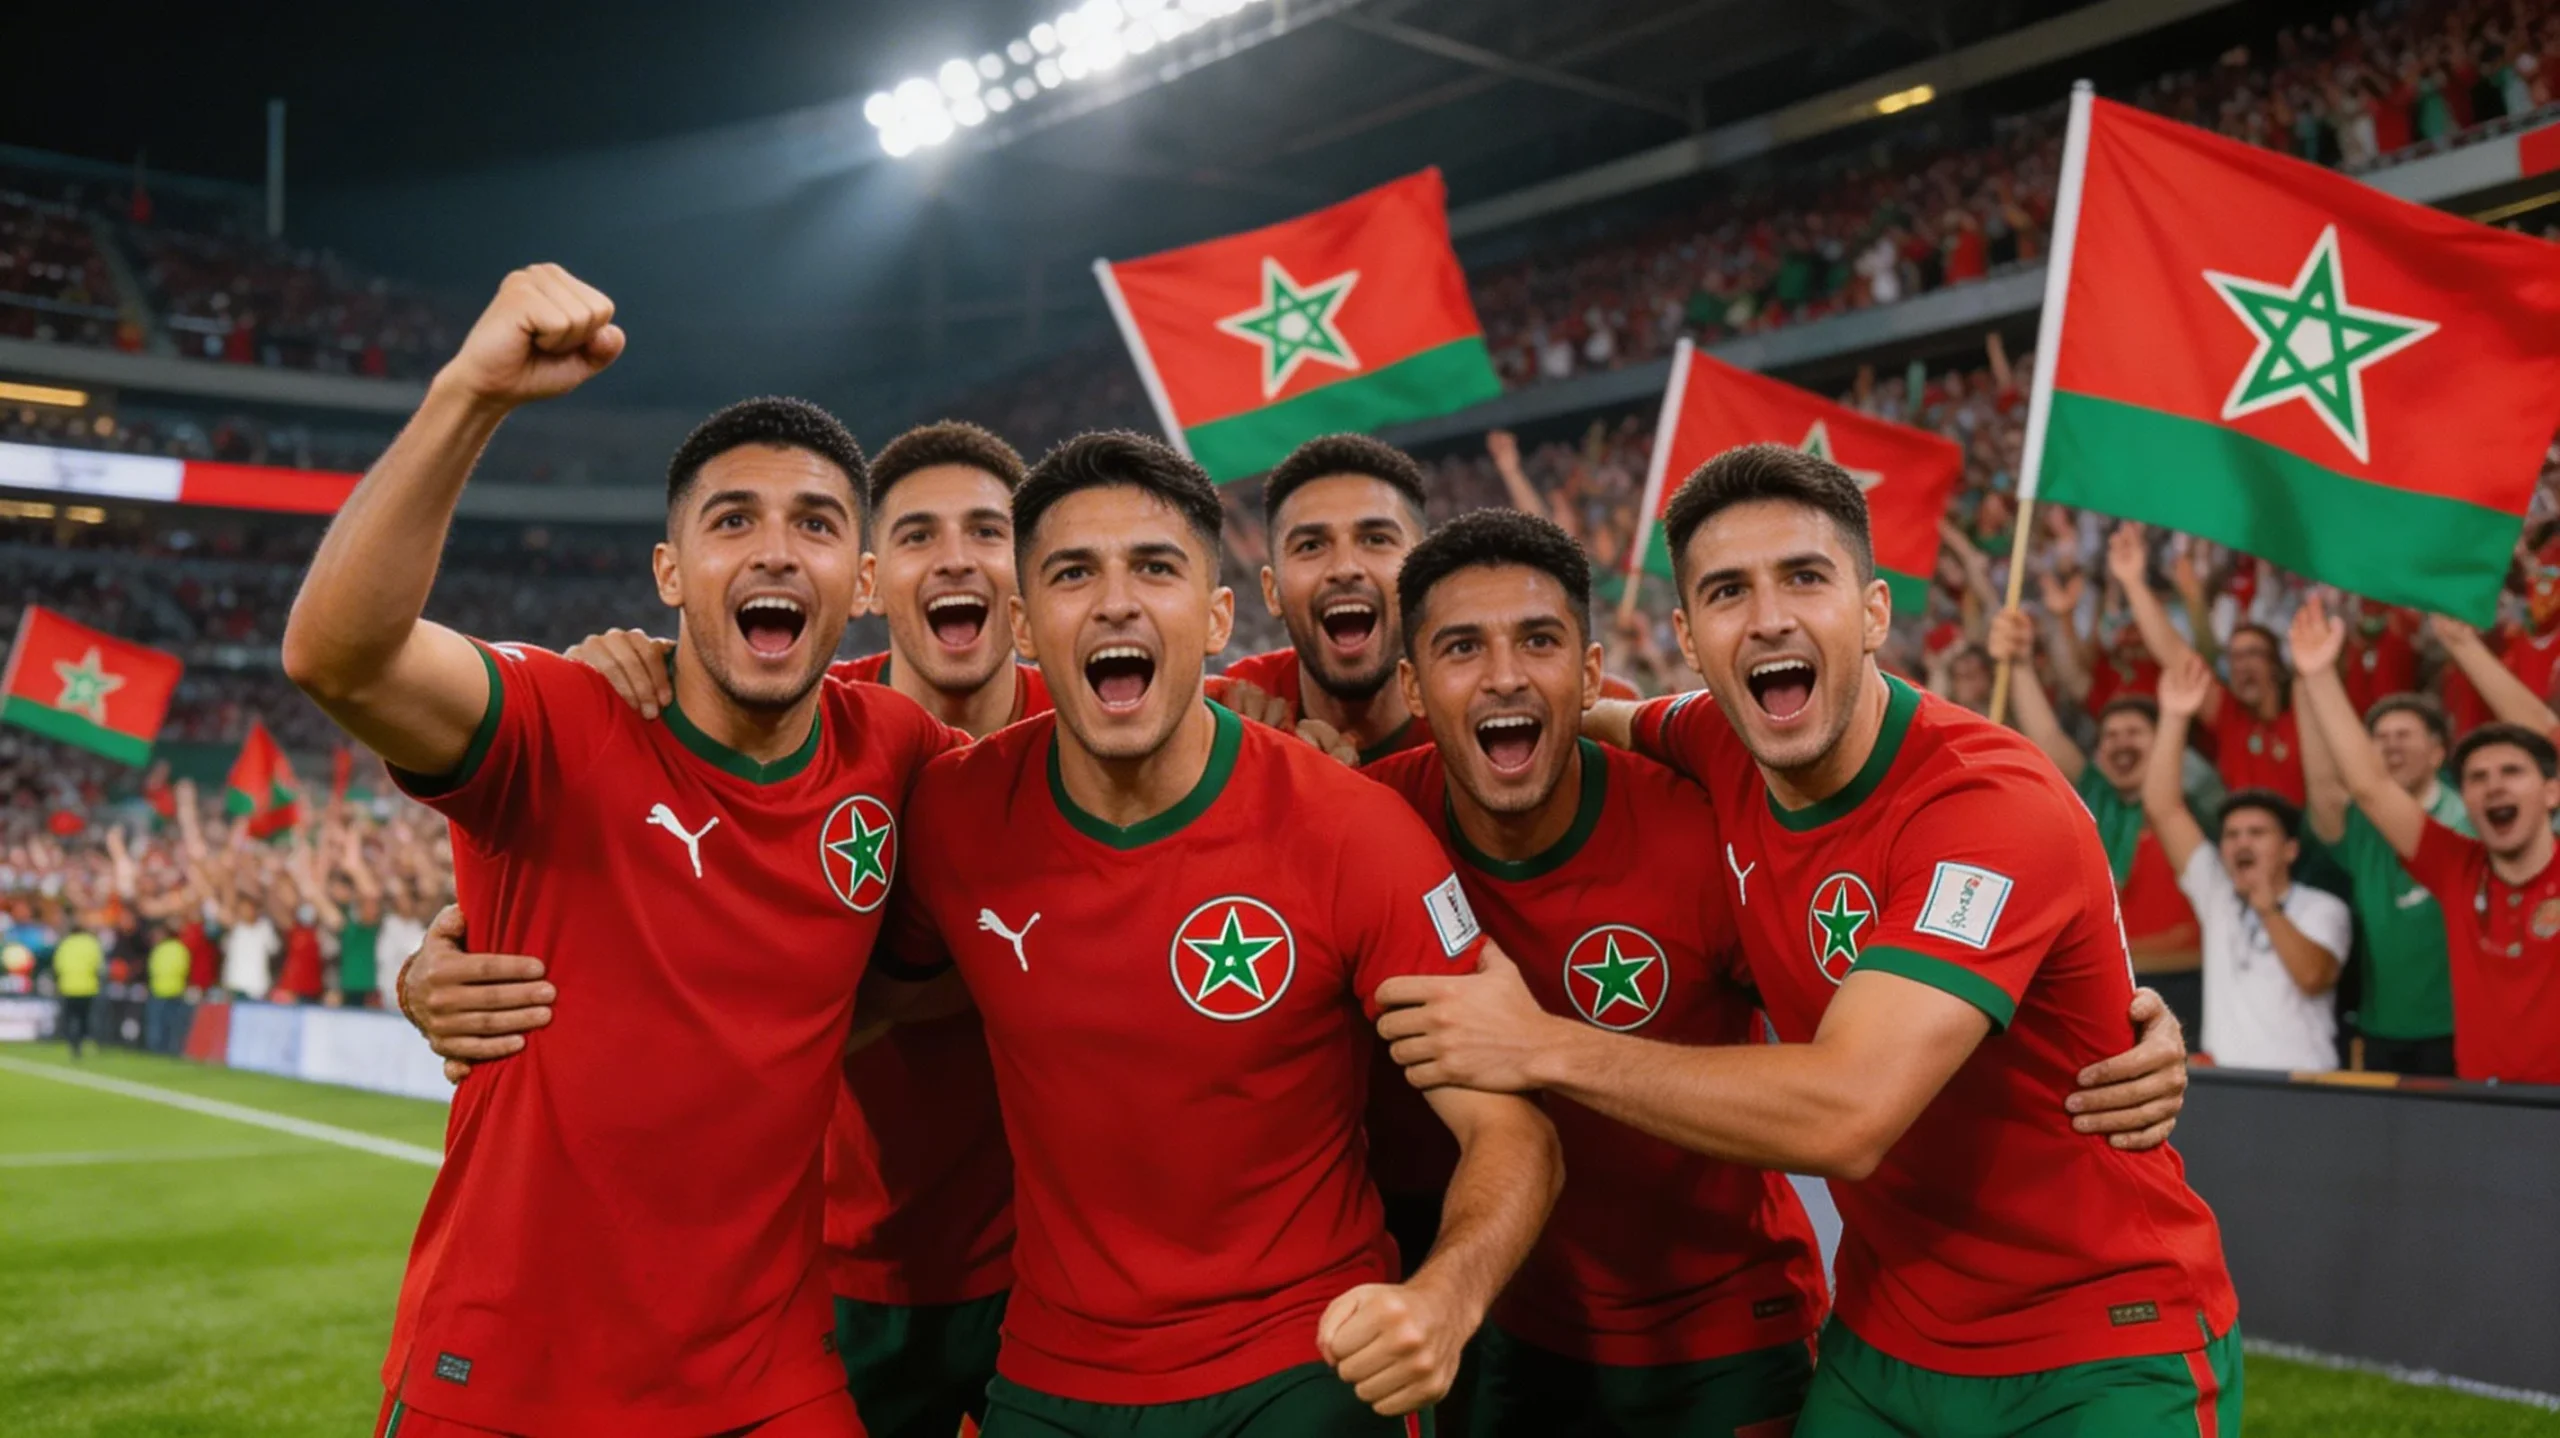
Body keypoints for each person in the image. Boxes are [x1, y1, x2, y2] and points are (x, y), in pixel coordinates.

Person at [1399, 444, 2239, 1434]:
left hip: (2094, 1338)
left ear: (1875, 610)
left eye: (1803, 576)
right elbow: (1592, 712)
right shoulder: (1713, 738)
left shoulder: (1986, 805)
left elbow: (1849, 1113)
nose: (1767, 617)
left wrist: (1536, 1042)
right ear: (1688, 637)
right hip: (1885, 1336)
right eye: (1726, 592)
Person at [284, 264, 949, 1437]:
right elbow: (341, 657)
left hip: (772, 1379)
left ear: (859, 591)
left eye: (816, 524)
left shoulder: (895, 751)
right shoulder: (561, 720)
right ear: (668, 573)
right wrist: (468, 395)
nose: (776, 551)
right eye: (730, 520)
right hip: (505, 1376)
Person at [880, 431, 1561, 1434]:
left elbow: (1514, 1129)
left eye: (1155, 567)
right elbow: (846, 1001)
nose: (1116, 601)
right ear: (1023, 622)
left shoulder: (1354, 829)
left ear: (1214, 615)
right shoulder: (950, 814)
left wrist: (1443, 1298)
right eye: (1074, 573)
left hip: (1303, 1363)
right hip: (1051, 1375)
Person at [562, 417, 1044, 1438]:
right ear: (872, 577)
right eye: (917, 534)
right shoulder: (792, 725)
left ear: (1033, 570)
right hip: (831, 1267)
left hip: (1051, 1274)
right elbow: (595, 872)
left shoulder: (1108, 735)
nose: (954, 557)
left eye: (987, 532)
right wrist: (442, 944)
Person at [2289, 597, 2560, 1085]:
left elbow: (2549, 735)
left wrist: (2462, 643)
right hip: (2480, 1106)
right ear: (2467, 798)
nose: (2494, 785)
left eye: (2512, 771)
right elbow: (2370, 787)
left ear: (2551, 789)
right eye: (2478, 777)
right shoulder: (2456, 867)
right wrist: (2320, 676)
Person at [1988, 607, 2207, 1039]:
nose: (2121, 743)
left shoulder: (2193, 805)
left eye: (2134, 733)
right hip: (2104, 993)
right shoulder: (2092, 802)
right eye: (2110, 736)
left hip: (2183, 994)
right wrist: (2017, 662)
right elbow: (2046, 738)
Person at [2144, 654, 2351, 1072]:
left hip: (2304, 1086)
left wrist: (2266, 904)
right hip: (2231, 1086)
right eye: (2233, 835)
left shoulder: (2323, 907)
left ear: (2290, 850)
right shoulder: (2217, 893)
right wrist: (2173, 717)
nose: (2242, 843)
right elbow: (2164, 808)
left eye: (2257, 834)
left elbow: (2313, 977)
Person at [1205, 433, 1434, 764]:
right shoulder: (1229, 719)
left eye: (1375, 539)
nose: (1345, 568)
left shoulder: (1474, 725)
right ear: (1272, 592)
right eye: (1311, 546)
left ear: (1424, 576)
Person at [2296, 679, 2466, 1077]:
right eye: (2381, 737)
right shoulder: (2363, 824)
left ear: (2438, 752)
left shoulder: (2468, 823)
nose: (2391, 746)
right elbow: (2323, 787)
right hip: (2381, 1030)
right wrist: (2307, 684)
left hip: (2457, 1031)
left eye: (2404, 735)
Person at [2108, 522, 2304, 804]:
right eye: (2234, 657)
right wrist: (2133, 583)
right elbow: (2177, 658)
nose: (2242, 665)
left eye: (2253, 654)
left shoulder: (2299, 717)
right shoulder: (2230, 717)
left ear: (2276, 665)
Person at [50, 917, 103, 1059]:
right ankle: (87, 1042)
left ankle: (73, 1044)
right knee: (86, 1018)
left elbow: (57, 966)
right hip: (88, 987)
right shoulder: (92, 943)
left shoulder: (65, 944)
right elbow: (98, 966)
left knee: (70, 1019)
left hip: (68, 987)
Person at [144, 922, 193, 1054]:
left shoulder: (160, 949)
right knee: (171, 1025)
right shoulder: (180, 948)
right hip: (175, 990)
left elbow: (153, 969)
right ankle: (171, 1051)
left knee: (158, 1025)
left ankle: (158, 1050)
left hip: (161, 991)